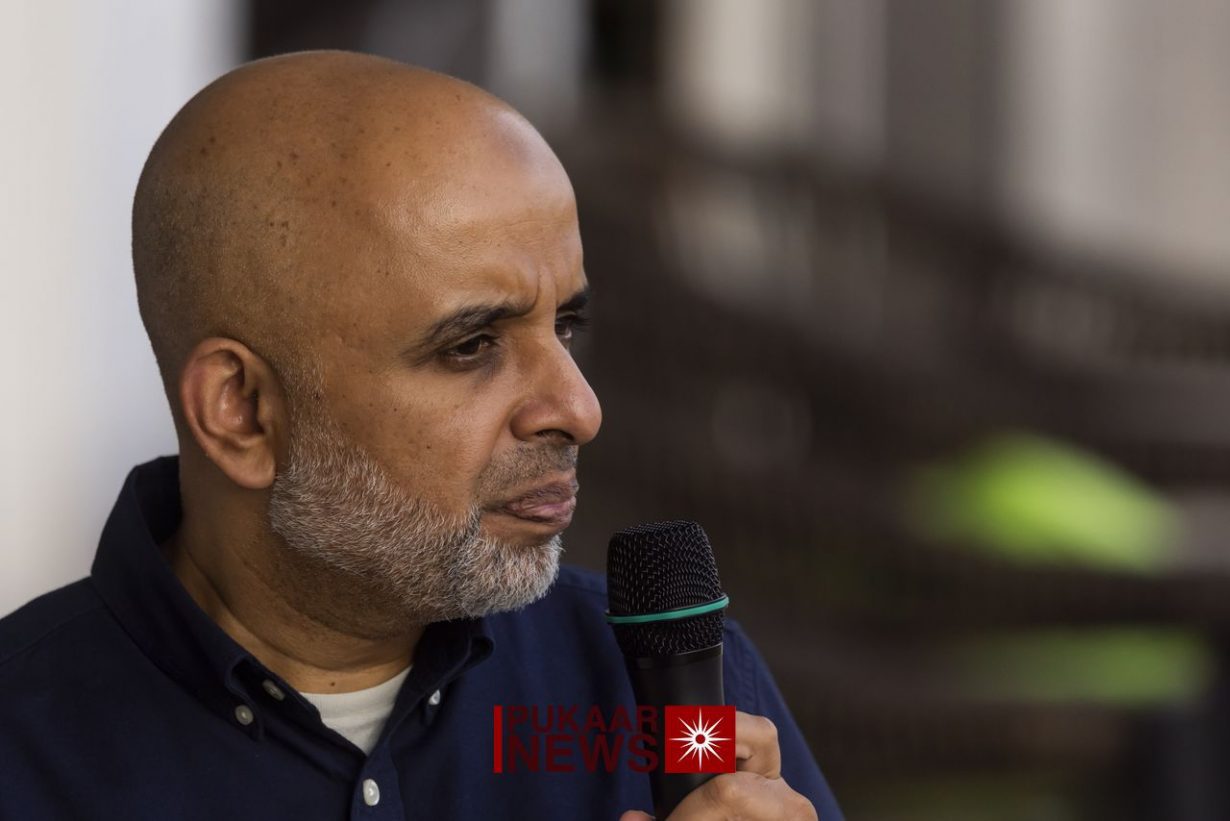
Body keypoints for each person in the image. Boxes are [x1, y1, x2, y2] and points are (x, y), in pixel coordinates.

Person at [0, 51, 841, 820]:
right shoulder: (25, 751)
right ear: (244, 410)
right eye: (471, 346)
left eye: (566, 326)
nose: (578, 409)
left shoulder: (667, 695)